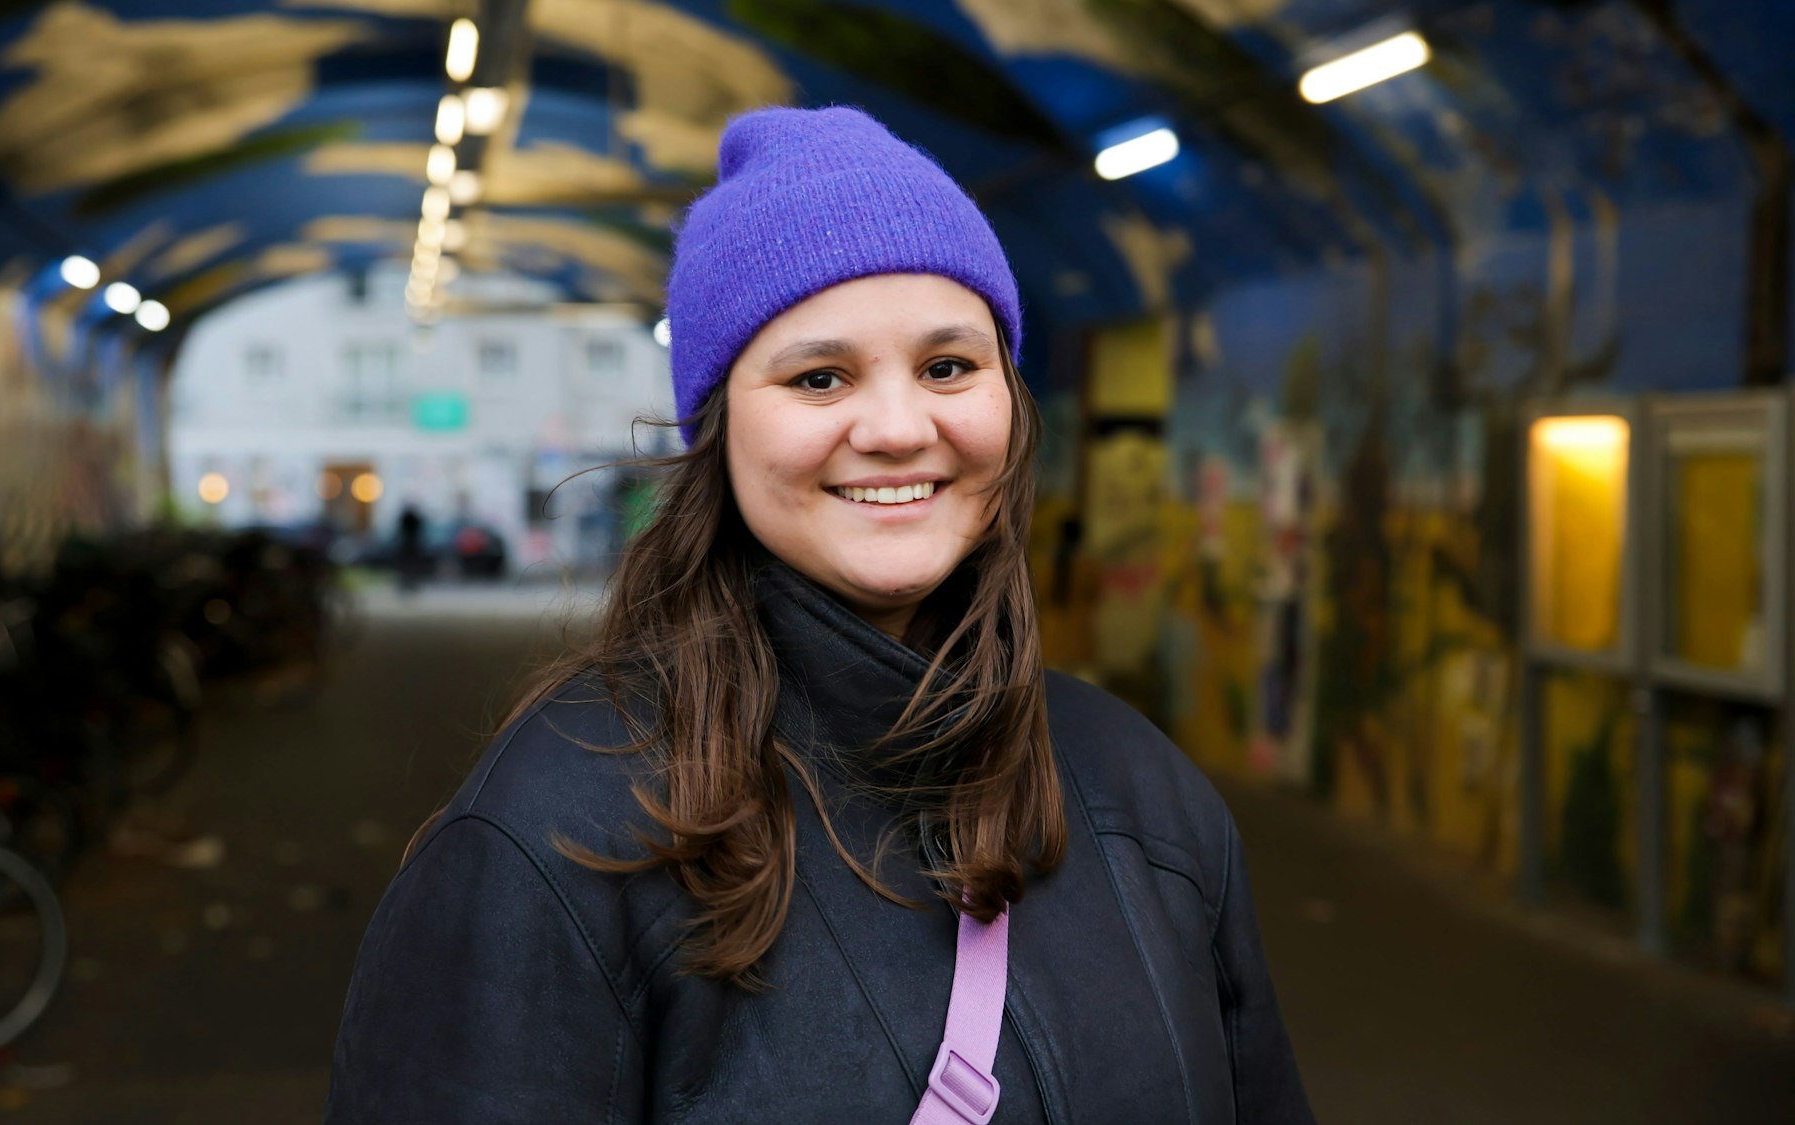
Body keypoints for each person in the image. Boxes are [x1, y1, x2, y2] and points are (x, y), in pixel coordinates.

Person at [326, 105, 1313, 1123]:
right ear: (718, 429)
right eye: (817, 377)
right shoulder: (556, 837)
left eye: (947, 366)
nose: (896, 427)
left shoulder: (1143, 798)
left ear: (1008, 405)